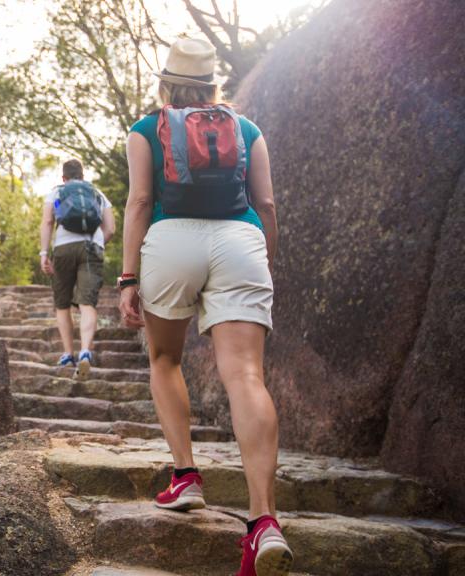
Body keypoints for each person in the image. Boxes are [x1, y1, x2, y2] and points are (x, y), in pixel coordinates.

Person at [117, 38, 291, 576]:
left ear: (165, 83)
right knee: (245, 375)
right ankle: (264, 523)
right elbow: (265, 204)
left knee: (165, 360)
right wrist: (264, 257)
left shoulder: (147, 129)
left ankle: (186, 476)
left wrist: (128, 277)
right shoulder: (248, 130)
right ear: (214, 85)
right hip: (240, 240)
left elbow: (140, 201)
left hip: (171, 240)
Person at [40, 159, 115, 379]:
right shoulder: (98, 194)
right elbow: (110, 228)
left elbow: (47, 222)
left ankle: (67, 354)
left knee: (62, 303)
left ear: (64, 177)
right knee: (87, 302)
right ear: (82, 175)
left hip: (63, 248)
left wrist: (44, 253)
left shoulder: (56, 192)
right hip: (91, 248)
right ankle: (85, 352)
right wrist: (99, 243)